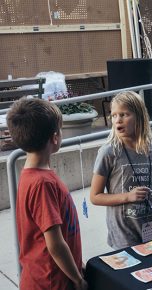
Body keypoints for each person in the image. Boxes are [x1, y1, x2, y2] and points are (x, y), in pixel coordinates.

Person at [6, 98, 87, 290]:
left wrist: (76, 262)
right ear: (55, 137)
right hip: (51, 282)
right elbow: (55, 244)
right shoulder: (43, 183)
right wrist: (77, 279)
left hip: (48, 277)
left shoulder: (32, 176)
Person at [90, 91, 152, 249]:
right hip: (123, 234)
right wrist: (128, 196)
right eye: (114, 115)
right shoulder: (108, 152)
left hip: (151, 227)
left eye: (124, 114)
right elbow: (95, 196)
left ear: (139, 116)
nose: (117, 120)